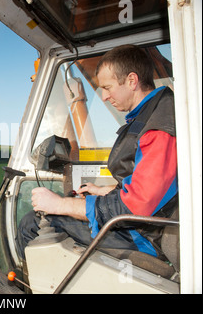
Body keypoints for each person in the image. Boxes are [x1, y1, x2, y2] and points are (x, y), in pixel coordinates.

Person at [17, 44, 178, 261]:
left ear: (132, 81)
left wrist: (60, 204)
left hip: (145, 235)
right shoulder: (152, 114)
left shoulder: (158, 127)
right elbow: (151, 184)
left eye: (107, 87)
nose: (103, 96)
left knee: (33, 222)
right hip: (148, 225)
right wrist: (104, 191)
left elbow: (136, 206)